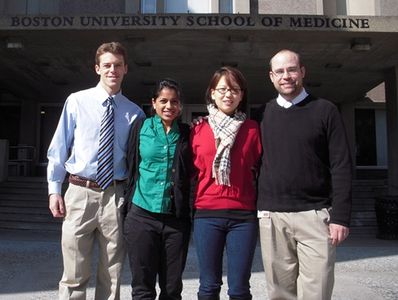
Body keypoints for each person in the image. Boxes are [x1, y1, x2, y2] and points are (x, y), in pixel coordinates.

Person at [47, 41, 145, 300]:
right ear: (97, 68)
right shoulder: (77, 101)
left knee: (112, 273)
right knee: (73, 272)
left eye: (117, 65)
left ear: (126, 69)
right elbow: (59, 148)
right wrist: (54, 190)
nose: (112, 70)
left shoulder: (134, 113)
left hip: (116, 195)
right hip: (79, 193)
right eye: (107, 65)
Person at [257, 49, 352, 300]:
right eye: (279, 71)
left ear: (302, 72)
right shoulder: (262, 115)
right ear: (271, 76)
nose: (286, 76)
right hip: (272, 216)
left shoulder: (326, 110)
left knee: (317, 291)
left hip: (315, 215)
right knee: (279, 293)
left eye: (291, 69)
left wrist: (340, 216)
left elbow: (341, 164)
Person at [190, 66, 262, 300]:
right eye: (222, 89)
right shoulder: (198, 129)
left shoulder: (252, 129)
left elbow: (262, 169)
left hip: (243, 216)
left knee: (240, 289)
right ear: (212, 93)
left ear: (241, 95)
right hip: (207, 215)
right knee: (208, 286)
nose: (227, 95)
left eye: (234, 90)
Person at [123, 79, 192, 300]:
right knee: (142, 287)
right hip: (142, 215)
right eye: (163, 101)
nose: (169, 106)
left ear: (180, 106)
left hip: (175, 220)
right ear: (154, 103)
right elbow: (131, 164)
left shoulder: (188, 133)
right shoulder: (140, 127)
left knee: (172, 289)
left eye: (174, 102)